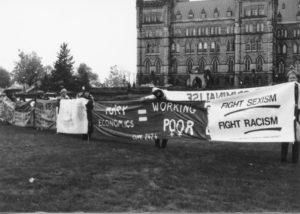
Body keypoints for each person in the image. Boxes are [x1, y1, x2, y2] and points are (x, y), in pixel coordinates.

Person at [281, 69, 299, 163]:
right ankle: (283, 157)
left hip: (297, 115)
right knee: (285, 137)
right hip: (286, 115)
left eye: (294, 78)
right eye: (290, 78)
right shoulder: (283, 89)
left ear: (297, 79)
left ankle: (295, 158)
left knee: (296, 138)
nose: (292, 79)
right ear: (288, 79)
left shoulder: (299, 89)